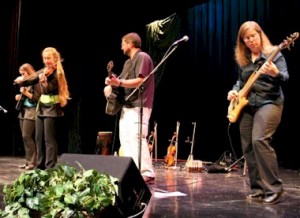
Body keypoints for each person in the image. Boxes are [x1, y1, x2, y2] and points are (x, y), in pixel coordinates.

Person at [227, 21, 289, 204]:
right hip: (247, 104)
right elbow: (240, 82)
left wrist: (276, 73)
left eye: (253, 35)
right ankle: (258, 190)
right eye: (246, 38)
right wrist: (234, 91)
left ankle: (274, 188)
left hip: (270, 102)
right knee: (247, 146)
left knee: (259, 140)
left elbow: (285, 78)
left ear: (260, 35)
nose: (251, 40)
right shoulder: (244, 60)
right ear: (243, 42)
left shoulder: (274, 54)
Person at [104, 32, 155, 183]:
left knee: (137, 137)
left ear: (130, 43)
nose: (121, 47)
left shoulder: (143, 57)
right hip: (127, 105)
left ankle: (147, 171)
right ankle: (133, 170)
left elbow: (140, 80)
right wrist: (111, 82)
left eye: (122, 44)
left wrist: (118, 83)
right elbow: (121, 81)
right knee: (125, 139)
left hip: (139, 104)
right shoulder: (127, 63)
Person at [15, 47, 70, 169]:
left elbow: (51, 90)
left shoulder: (57, 73)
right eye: (44, 58)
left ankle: (50, 166)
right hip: (41, 108)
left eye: (48, 58)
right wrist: (22, 81)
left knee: (49, 140)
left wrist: (44, 83)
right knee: (38, 138)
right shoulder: (44, 71)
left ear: (55, 58)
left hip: (52, 109)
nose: (46, 61)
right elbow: (32, 79)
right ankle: (39, 166)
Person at [15, 63, 40, 170]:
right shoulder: (26, 83)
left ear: (29, 72)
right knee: (24, 138)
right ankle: (28, 161)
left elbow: (36, 98)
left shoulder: (35, 82)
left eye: (24, 74)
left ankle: (32, 163)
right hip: (23, 110)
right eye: (21, 74)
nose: (23, 76)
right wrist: (19, 96)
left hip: (32, 111)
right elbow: (24, 96)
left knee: (27, 136)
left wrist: (25, 93)